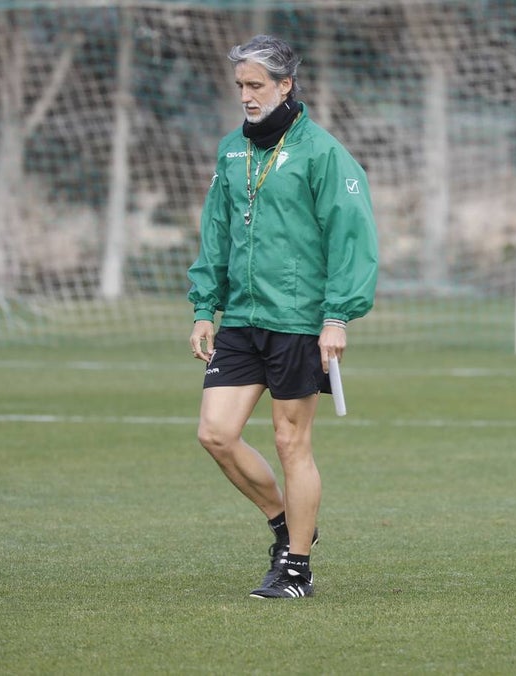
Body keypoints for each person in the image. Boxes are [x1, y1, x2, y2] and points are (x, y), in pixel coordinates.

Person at [187, 35, 379, 600]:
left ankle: (296, 566)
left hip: (299, 320)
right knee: (215, 433)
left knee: (290, 441)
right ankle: (286, 524)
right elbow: (215, 234)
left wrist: (337, 317)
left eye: (256, 86)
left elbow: (352, 239)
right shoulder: (231, 151)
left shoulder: (323, 153)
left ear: (285, 86)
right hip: (243, 318)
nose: (246, 96)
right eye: (240, 86)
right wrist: (205, 308)